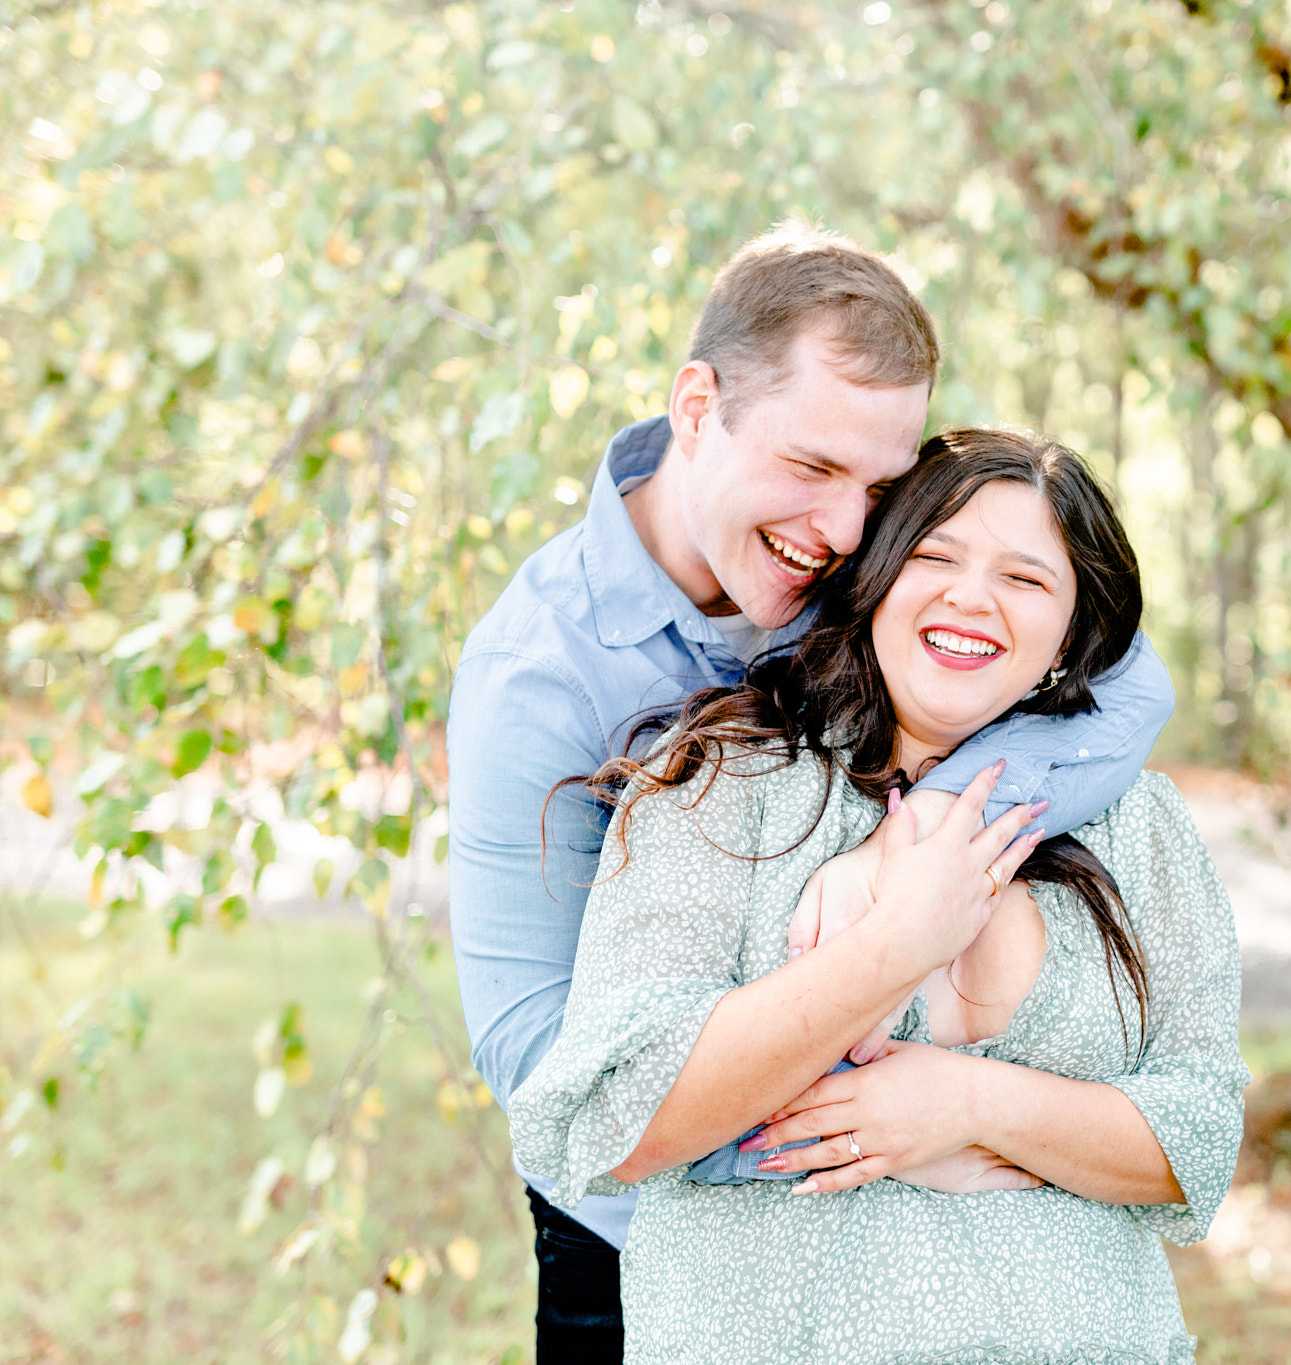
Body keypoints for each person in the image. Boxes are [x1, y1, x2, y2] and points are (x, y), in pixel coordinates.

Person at [446, 225, 1176, 1358]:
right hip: (638, 1256)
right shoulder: (538, 680)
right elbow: (545, 1066)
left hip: (912, 1268)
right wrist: (871, 1120)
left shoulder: (872, 560)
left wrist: (930, 830)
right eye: (811, 468)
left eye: (882, 485)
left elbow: (1127, 681)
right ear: (698, 406)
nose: (845, 530)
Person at [511, 429, 1247, 1364]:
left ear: (1071, 637)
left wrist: (970, 1104)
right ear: (875, 579)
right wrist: (899, 942)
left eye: (1026, 580)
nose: (971, 597)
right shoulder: (720, 786)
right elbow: (618, 1118)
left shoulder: (1140, 825)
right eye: (935, 556)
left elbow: (1200, 1139)